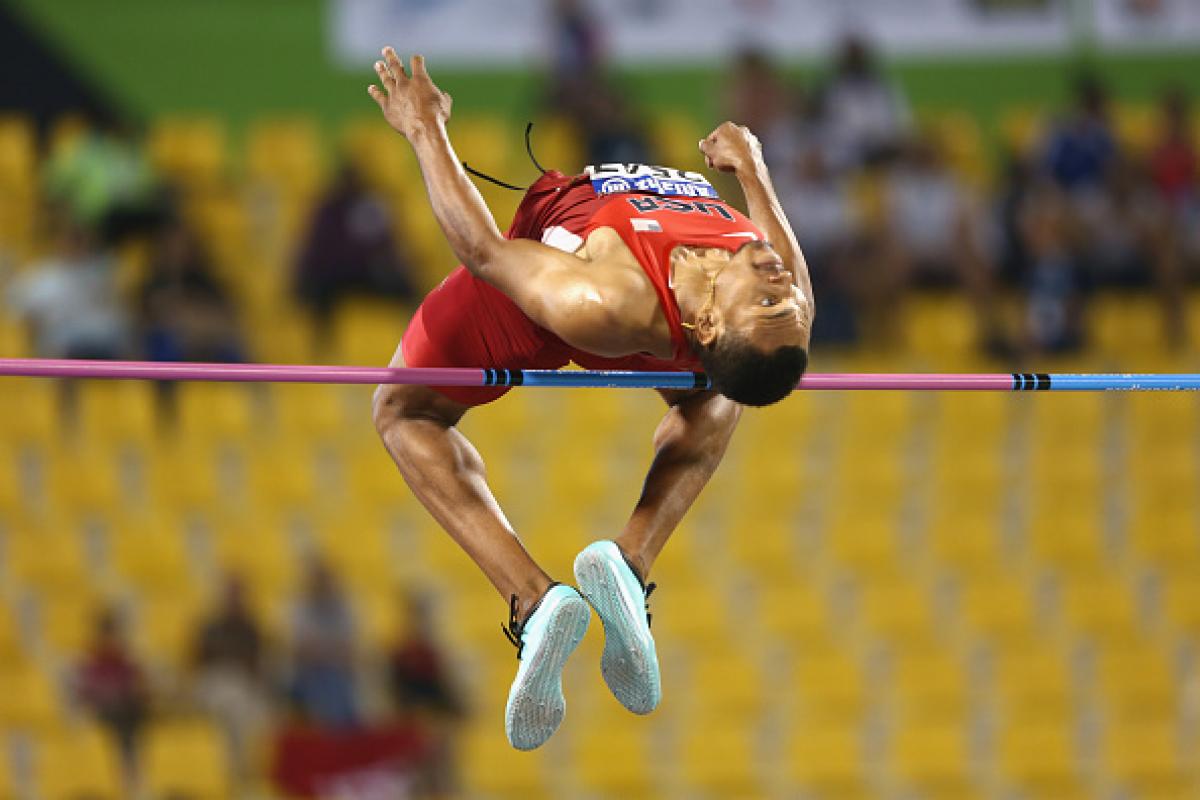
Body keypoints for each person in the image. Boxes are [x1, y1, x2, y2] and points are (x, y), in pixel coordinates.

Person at [367, 50, 813, 750]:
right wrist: (753, 171)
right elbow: (791, 267)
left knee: (402, 413)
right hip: (655, 310)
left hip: (546, 290)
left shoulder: (603, 300)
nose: (776, 276)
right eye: (782, 292)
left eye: (766, 296)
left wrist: (424, 129)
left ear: (714, 326)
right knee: (724, 392)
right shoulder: (783, 309)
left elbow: (484, 252)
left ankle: (533, 601)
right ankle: (627, 570)